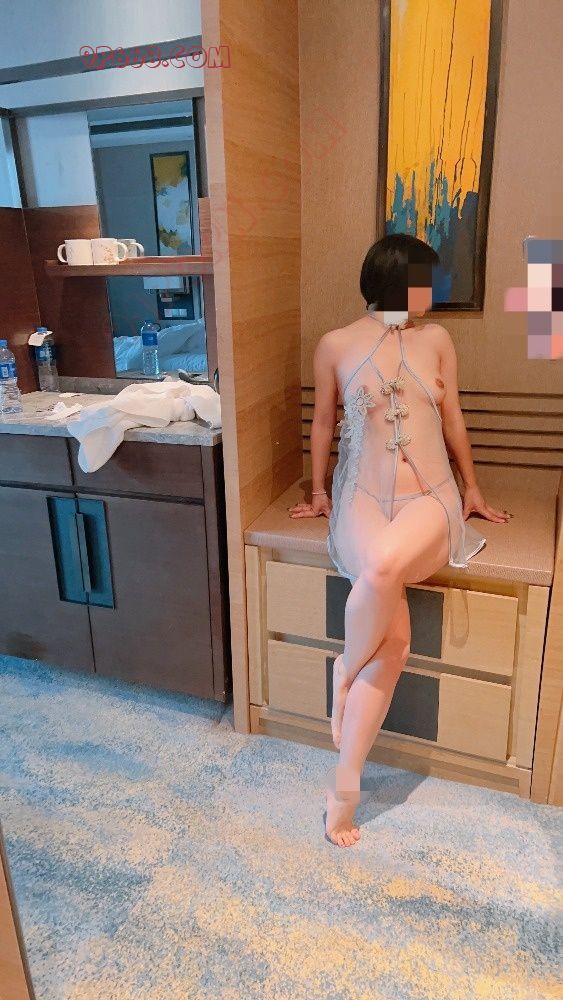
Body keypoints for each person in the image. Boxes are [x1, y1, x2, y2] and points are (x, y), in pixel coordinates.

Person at [289, 234, 511, 847]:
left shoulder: (437, 340)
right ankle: (345, 787)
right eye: (425, 280)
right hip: (359, 498)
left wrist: (472, 489)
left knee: (384, 568)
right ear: (396, 280)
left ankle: (344, 665)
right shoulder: (336, 344)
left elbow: (453, 417)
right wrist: (320, 491)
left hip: (429, 500)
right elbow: (324, 423)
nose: (432, 292)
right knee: (395, 642)